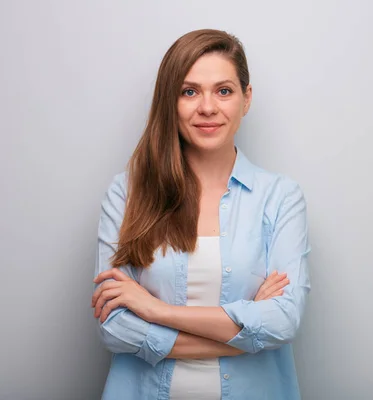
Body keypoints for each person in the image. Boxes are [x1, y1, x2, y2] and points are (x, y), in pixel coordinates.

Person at [91, 29, 311, 400]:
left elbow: (283, 321)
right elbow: (113, 327)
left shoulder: (280, 197)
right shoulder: (127, 193)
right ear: (169, 101)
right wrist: (246, 328)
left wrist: (155, 310)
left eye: (224, 91)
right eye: (189, 91)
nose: (207, 107)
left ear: (246, 99)